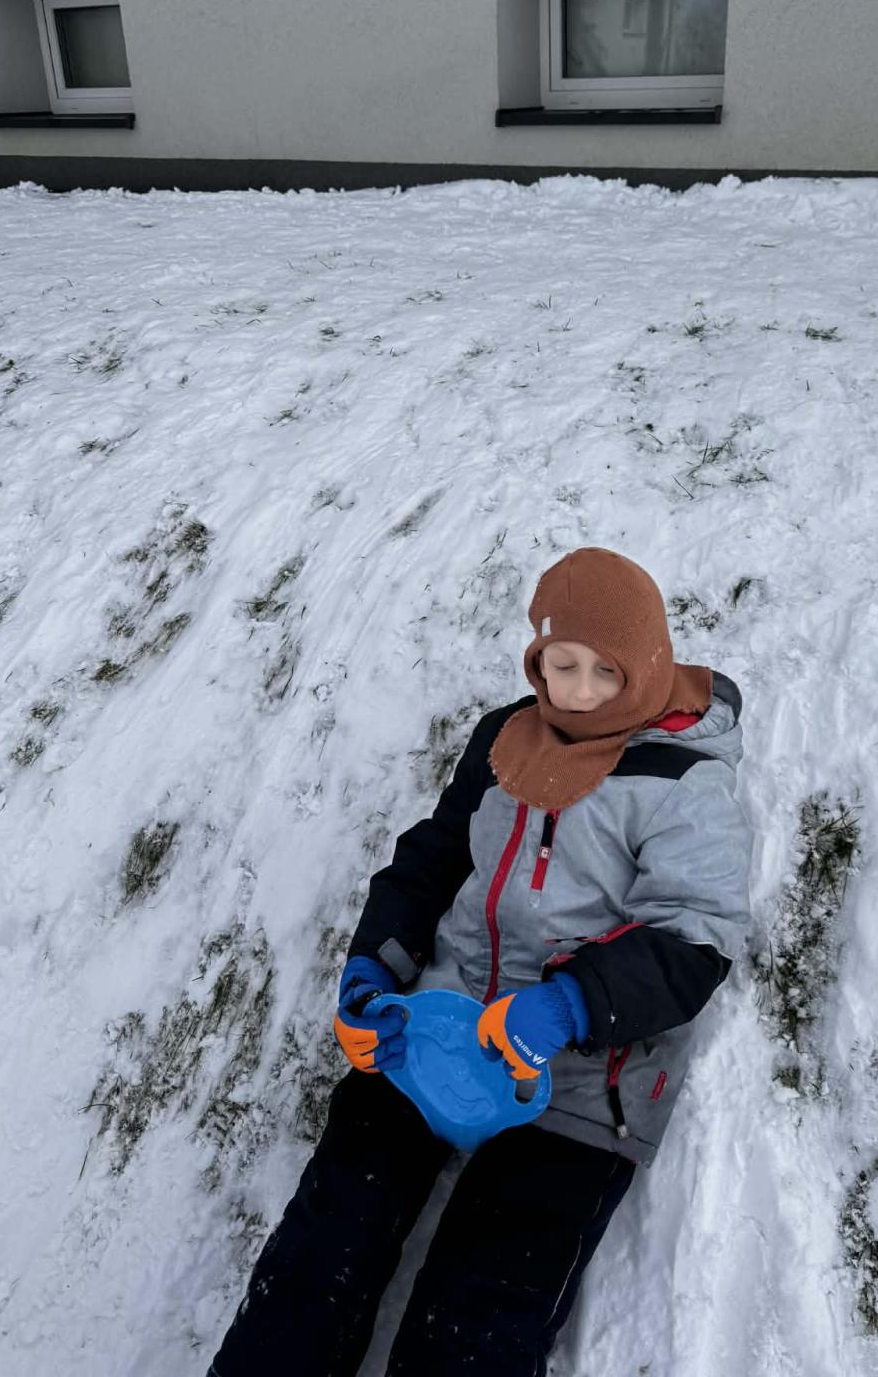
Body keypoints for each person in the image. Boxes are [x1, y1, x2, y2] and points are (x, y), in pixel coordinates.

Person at [208, 546, 752, 1377]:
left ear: (645, 664)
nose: (577, 691)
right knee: (327, 1237)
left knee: (481, 1309)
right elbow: (433, 858)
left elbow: (694, 937)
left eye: (604, 672)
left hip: (579, 1078)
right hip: (444, 1023)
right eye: (560, 666)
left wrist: (569, 1006)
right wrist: (376, 968)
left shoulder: (682, 781)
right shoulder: (506, 739)